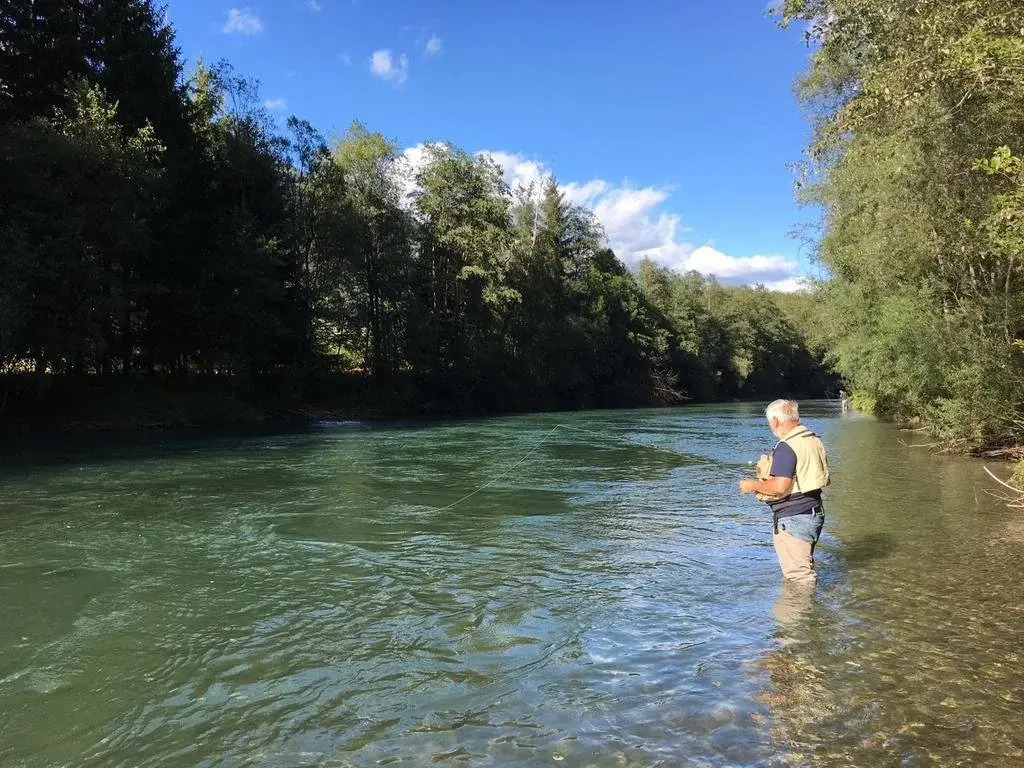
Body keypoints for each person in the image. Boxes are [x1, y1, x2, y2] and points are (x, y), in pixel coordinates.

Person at [739, 399, 829, 584]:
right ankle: (810, 601)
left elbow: (780, 486)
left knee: (799, 578)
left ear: (775, 421)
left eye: (769, 422)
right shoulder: (812, 439)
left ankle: (800, 604)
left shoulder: (787, 446)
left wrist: (752, 485)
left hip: (794, 518)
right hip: (814, 513)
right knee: (804, 567)